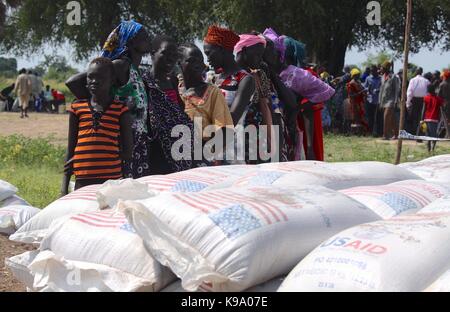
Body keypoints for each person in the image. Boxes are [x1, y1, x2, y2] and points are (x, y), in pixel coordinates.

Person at [67, 20, 153, 178]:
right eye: (143, 35)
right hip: (122, 138)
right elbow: (73, 82)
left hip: (137, 140)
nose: (148, 38)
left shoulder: (135, 69)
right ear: (131, 40)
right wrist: (101, 104)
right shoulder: (120, 66)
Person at [61, 57, 133, 195]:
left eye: (100, 77)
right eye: (90, 77)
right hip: (82, 179)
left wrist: (108, 156)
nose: (94, 81)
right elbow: (70, 152)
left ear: (112, 80)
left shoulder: (120, 110)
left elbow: (128, 152)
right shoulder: (77, 108)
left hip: (111, 181)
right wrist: (63, 189)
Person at [263, 28, 335, 161]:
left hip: (290, 132)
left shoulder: (296, 75)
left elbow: (322, 96)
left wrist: (297, 109)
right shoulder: (263, 73)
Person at [142, 35, 195, 174]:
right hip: (155, 150)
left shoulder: (172, 81)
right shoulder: (144, 83)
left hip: (179, 147)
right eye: (165, 53)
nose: (171, 59)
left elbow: (179, 111)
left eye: (174, 55)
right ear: (153, 53)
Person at [203, 25, 256, 163]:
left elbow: (231, 119)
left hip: (232, 153)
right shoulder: (212, 78)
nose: (207, 59)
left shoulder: (244, 80)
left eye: (209, 53)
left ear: (221, 49)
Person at [178, 43, 234, 163]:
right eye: (191, 61)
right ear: (179, 64)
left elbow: (225, 132)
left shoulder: (213, 92)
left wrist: (203, 158)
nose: (198, 65)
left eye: (200, 60)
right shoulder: (174, 91)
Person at [379, 61, 400, 140]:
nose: (380, 69)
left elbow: (397, 90)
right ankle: (397, 134)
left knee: (386, 116)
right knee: (391, 119)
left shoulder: (394, 77)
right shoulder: (382, 77)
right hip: (384, 100)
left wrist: (395, 101)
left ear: (386, 68)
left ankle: (385, 135)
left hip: (391, 100)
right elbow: (381, 90)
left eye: (382, 67)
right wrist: (380, 101)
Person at [407, 67, 430, 135]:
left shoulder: (412, 80)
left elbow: (409, 92)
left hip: (415, 100)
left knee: (415, 117)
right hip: (424, 101)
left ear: (416, 72)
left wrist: (408, 102)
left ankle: (416, 133)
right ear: (421, 72)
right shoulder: (426, 81)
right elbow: (429, 93)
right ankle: (422, 133)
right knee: (423, 118)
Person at [422, 84, 444, 152]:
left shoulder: (426, 98)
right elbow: (442, 109)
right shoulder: (438, 99)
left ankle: (428, 150)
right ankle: (432, 149)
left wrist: (421, 119)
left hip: (426, 119)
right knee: (434, 135)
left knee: (427, 135)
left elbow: (423, 109)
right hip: (435, 120)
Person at [347, 68, 368, 134]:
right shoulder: (351, 84)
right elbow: (351, 95)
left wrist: (364, 91)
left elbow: (362, 89)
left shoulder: (358, 82)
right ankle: (355, 132)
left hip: (360, 102)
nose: (358, 76)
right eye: (356, 75)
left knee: (361, 116)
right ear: (353, 75)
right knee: (355, 117)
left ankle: (361, 131)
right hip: (354, 102)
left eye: (358, 75)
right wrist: (360, 92)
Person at [364, 65, 382, 136]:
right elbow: (365, 87)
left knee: (378, 118)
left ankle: (379, 133)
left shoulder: (381, 79)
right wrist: (367, 89)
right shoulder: (368, 78)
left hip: (378, 101)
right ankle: (370, 132)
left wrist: (378, 90)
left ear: (377, 70)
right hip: (370, 101)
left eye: (373, 71)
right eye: (371, 71)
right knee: (370, 118)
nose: (372, 72)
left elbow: (383, 88)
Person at [438, 70, 450, 136]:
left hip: (444, 104)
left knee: (443, 119)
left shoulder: (442, 84)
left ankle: (440, 134)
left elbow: (439, 95)